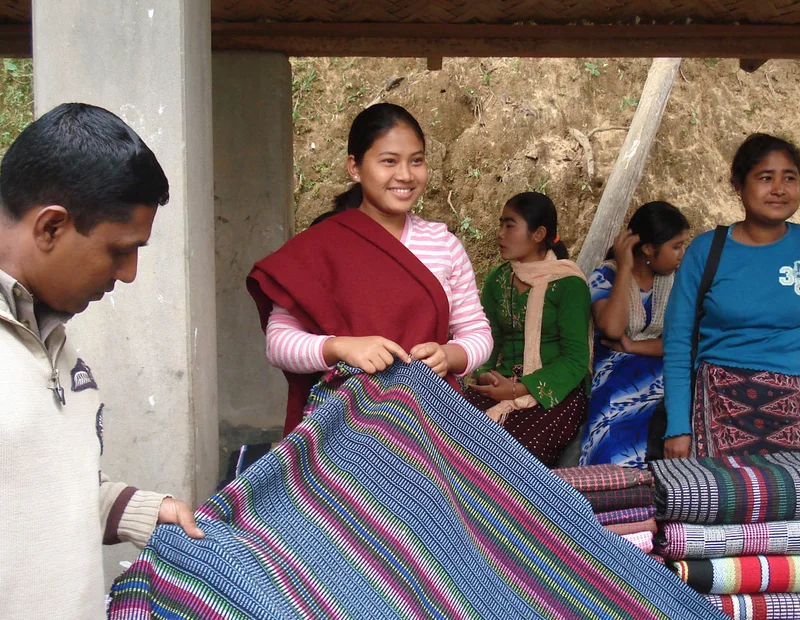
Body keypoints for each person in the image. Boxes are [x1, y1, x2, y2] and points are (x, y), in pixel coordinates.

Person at [0, 103, 203, 618]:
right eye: (119, 251)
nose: (129, 274)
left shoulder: (55, 346)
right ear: (50, 227)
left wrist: (137, 510)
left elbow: (33, 492)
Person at [247, 103, 492, 434]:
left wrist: (450, 355)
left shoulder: (444, 245)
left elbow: (477, 333)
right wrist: (340, 348)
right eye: (389, 161)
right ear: (355, 167)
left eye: (416, 161)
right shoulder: (318, 248)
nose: (406, 175)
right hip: (342, 429)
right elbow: (279, 344)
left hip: (428, 422)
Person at [663, 133, 800, 459]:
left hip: (794, 401)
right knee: (723, 504)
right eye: (765, 178)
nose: (779, 189)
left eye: (789, 178)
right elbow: (677, 341)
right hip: (719, 399)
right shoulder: (707, 251)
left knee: (794, 503)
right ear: (738, 186)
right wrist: (678, 426)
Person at [465, 192, 591, 467]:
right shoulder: (499, 279)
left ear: (538, 234)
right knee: (447, 435)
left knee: (511, 455)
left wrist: (519, 389)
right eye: (501, 225)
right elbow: (488, 337)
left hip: (554, 392)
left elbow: (575, 359)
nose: (500, 234)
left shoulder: (569, 284)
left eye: (510, 226)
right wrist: (485, 374)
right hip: (501, 383)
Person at [579, 201, 690, 468]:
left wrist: (632, 347)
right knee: (615, 449)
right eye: (676, 246)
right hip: (615, 379)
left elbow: (683, 343)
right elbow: (612, 328)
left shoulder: (679, 281)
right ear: (649, 249)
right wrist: (625, 268)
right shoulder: (604, 276)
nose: (682, 254)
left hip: (664, 374)